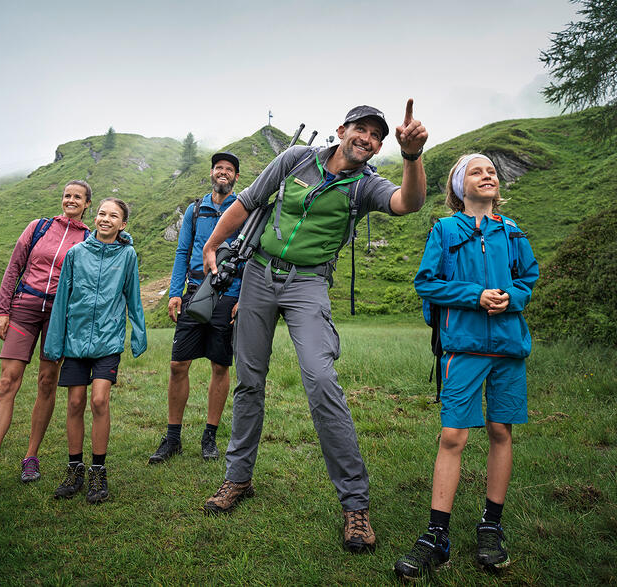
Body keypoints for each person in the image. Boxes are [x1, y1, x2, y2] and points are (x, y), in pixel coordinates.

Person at [200, 101, 429, 554]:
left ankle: (355, 505)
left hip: (308, 283)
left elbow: (409, 203)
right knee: (249, 381)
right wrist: (212, 245)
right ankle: (237, 478)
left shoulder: (366, 185)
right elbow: (248, 201)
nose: (368, 139)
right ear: (342, 130)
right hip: (259, 273)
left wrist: (411, 155)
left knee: (322, 380)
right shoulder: (295, 159)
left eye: (377, 136)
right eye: (362, 129)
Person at [392, 153, 539, 580]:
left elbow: (528, 278)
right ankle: (437, 535)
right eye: (476, 171)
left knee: (500, 431)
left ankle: (491, 527)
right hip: (463, 348)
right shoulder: (444, 229)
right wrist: (475, 296)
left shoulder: (512, 231)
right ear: (459, 186)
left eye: (491, 170)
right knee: (453, 436)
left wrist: (514, 297)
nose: (487, 175)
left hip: (508, 348)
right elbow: (426, 283)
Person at [0, 181, 92, 502]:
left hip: (59, 316)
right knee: (8, 381)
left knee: (47, 382)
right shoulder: (38, 227)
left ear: (87, 204)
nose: (71, 200)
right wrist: (2, 310)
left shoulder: (88, 239)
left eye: (77, 197)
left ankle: (31, 456)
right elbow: (13, 268)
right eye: (67, 195)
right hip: (24, 307)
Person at [42, 198, 147, 505]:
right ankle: (74, 468)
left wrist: (139, 333)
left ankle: (98, 471)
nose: (105, 219)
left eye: (113, 216)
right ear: (95, 218)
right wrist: (55, 343)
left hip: (108, 340)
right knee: (75, 402)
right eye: (102, 213)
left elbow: (133, 296)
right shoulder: (76, 254)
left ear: (122, 224)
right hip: (75, 341)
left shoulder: (127, 255)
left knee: (100, 400)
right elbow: (63, 298)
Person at [149, 152, 243, 465]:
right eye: (218, 168)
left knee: (220, 366)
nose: (223, 172)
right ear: (212, 173)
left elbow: (251, 256)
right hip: (195, 292)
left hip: (228, 293)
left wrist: (242, 298)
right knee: (178, 364)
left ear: (236, 177)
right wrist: (175, 293)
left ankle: (209, 437)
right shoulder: (194, 209)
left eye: (229, 169)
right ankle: (172, 438)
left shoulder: (244, 209)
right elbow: (182, 252)